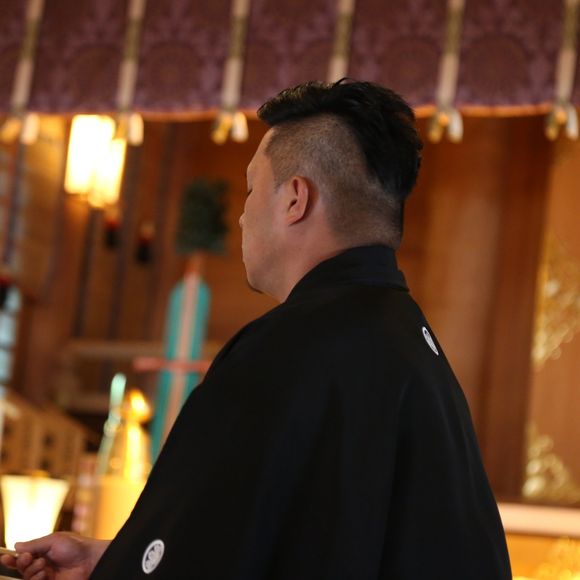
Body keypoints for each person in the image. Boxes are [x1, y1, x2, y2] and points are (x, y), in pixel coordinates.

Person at [2, 79, 512, 579]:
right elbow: (286, 538)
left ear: (295, 199)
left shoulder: (287, 347)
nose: (243, 218)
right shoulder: (414, 344)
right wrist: (111, 561)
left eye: (251, 189)